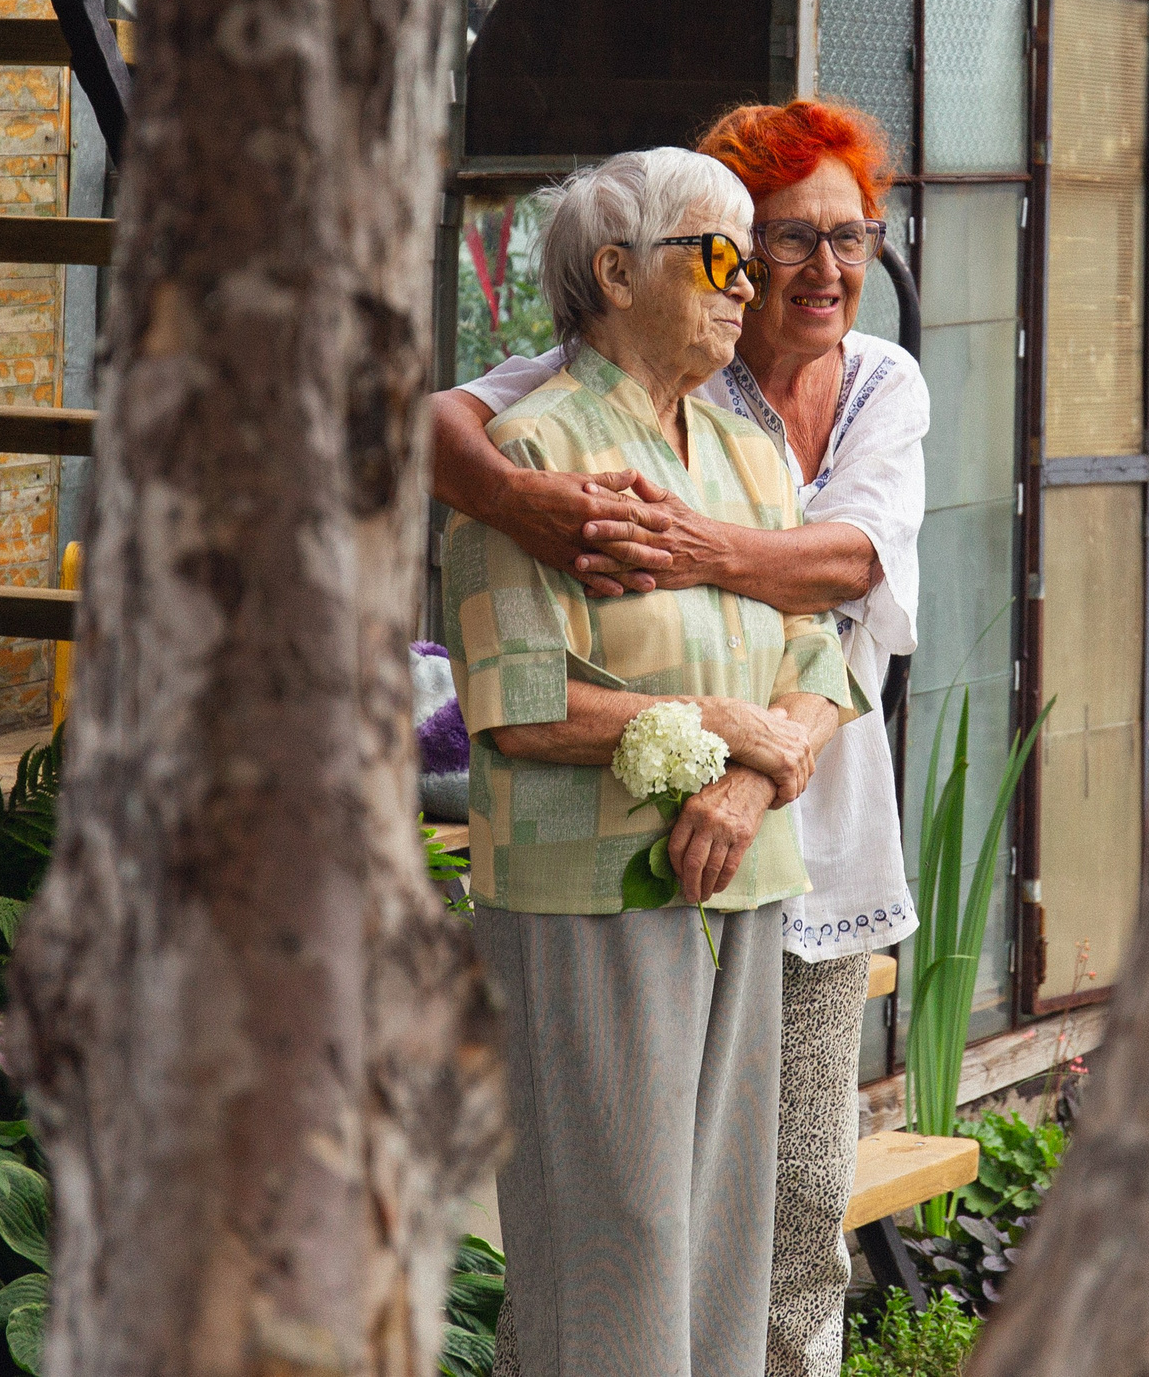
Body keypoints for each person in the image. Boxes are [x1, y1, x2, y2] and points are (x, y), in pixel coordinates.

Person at [434, 101, 925, 1377]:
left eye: (752, 260)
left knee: (727, 1224)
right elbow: (520, 701)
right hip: (587, 887)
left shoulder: (743, 456)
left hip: (755, 879)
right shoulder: (537, 448)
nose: (756, 284)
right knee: (619, 1227)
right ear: (615, 273)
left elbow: (817, 643)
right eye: (729, 255)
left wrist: (760, 761)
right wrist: (715, 721)